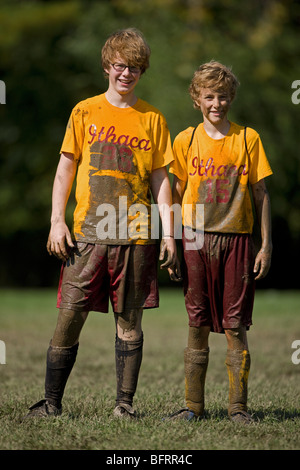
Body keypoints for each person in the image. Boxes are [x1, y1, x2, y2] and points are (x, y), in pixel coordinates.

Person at [24, 28, 177, 419]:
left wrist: (170, 232)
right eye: (122, 66)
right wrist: (57, 221)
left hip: (137, 234)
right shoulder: (85, 111)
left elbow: (162, 180)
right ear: (108, 65)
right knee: (69, 316)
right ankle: (51, 402)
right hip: (88, 234)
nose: (128, 74)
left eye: (136, 68)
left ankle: (124, 405)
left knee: (130, 322)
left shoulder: (153, 118)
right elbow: (64, 170)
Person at [167, 61, 273, 423]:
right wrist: (170, 241)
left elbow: (261, 193)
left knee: (234, 325)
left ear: (232, 99)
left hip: (238, 241)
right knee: (196, 322)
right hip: (195, 240)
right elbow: (176, 194)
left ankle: (237, 409)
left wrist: (266, 244)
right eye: (209, 96)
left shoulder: (248, 138)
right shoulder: (185, 140)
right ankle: (192, 406)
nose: (217, 103)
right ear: (197, 99)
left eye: (224, 96)